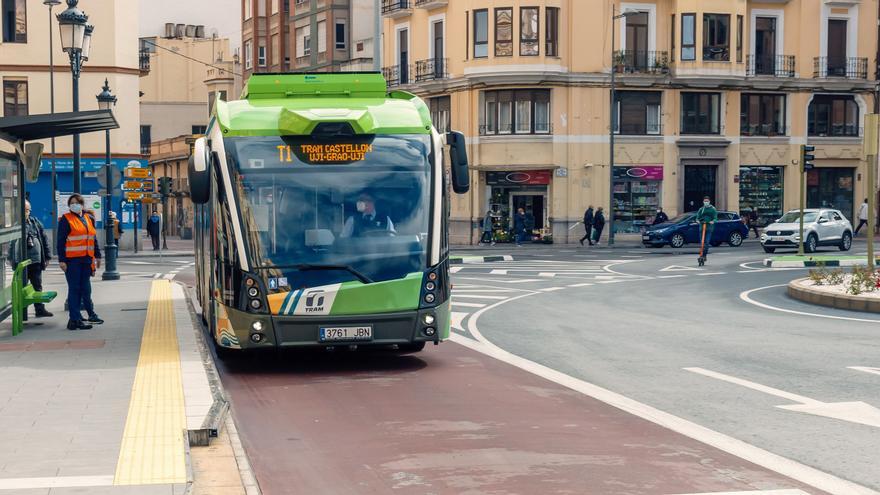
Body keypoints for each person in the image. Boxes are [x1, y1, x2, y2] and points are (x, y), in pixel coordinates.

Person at [57, 194, 103, 330]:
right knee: (75, 289)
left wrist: (98, 255)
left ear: (82, 204)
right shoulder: (66, 219)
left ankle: (82, 316)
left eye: (77, 203)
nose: (74, 205)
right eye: (71, 203)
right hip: (73, 261)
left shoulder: (88, 218)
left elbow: (93, 239)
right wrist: (62, 260)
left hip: (86, 260)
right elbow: (60, 241)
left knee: (85, 289)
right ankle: (75, 319)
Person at [8, 200, 53, 321]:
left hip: (35, 261)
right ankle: (23, 312)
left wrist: (47, 257)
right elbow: (11, 242)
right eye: (24, 210)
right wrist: (10, 258)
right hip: (21, 262)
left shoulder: (35, 222)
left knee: (37, 286)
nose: (26, 212)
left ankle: (40, 309)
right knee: (22, 287)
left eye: (27, 210)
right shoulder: (16, 224)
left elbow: (44, 240)